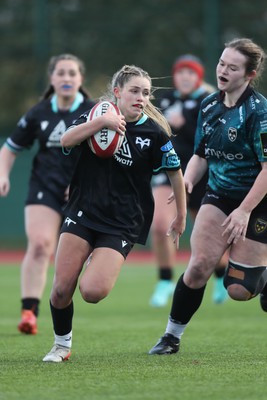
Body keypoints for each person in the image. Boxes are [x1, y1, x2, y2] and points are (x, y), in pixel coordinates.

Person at [42, 64, 187, 362]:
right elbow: (67, 140)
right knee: (60, 290)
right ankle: (61, 346)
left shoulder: (153, 133)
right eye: (134, 91)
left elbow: (176, 173)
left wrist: (181, 216)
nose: (141, 97)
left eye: (146, 93)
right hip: (83, 211)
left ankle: (99, 255)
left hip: (122, 223)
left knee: (92, 292)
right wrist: (102, 123)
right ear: (118, 92)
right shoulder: (95, 115)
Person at [149, 37, 267, 355]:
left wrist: (244, 211)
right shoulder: (209, 105)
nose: (223, 71)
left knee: (239, 290)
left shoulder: (260, 112)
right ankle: (171, 337)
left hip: (258, 203)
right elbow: (201, 155)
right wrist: (186, 182)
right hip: (218, 196)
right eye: (221, 63)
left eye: (232, 67)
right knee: (200, 264)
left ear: (249, 74)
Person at [0, 54, 95, 335]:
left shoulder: (95, 111)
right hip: (44, 186)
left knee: (78, 257)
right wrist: (3, 174)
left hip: (82, 191)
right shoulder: (38, 113)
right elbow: (10, 148)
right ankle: (29, 312)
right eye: (61, 73)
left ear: (81, 79)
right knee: (41, 244)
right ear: (52, 79)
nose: (66, 78)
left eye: (72, 74)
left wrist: (84, 182)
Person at [150, 54, 228, 307]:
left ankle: (219, 276)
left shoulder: (209, 102)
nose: (185, 77)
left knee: (208, 236)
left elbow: (214, 138)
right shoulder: (166, 100)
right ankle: (164, 281)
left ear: (199, 76)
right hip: (168, 171)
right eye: (180, 72)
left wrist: (185, 124)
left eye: (190, 72)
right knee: (161, 225)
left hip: (199, 174)